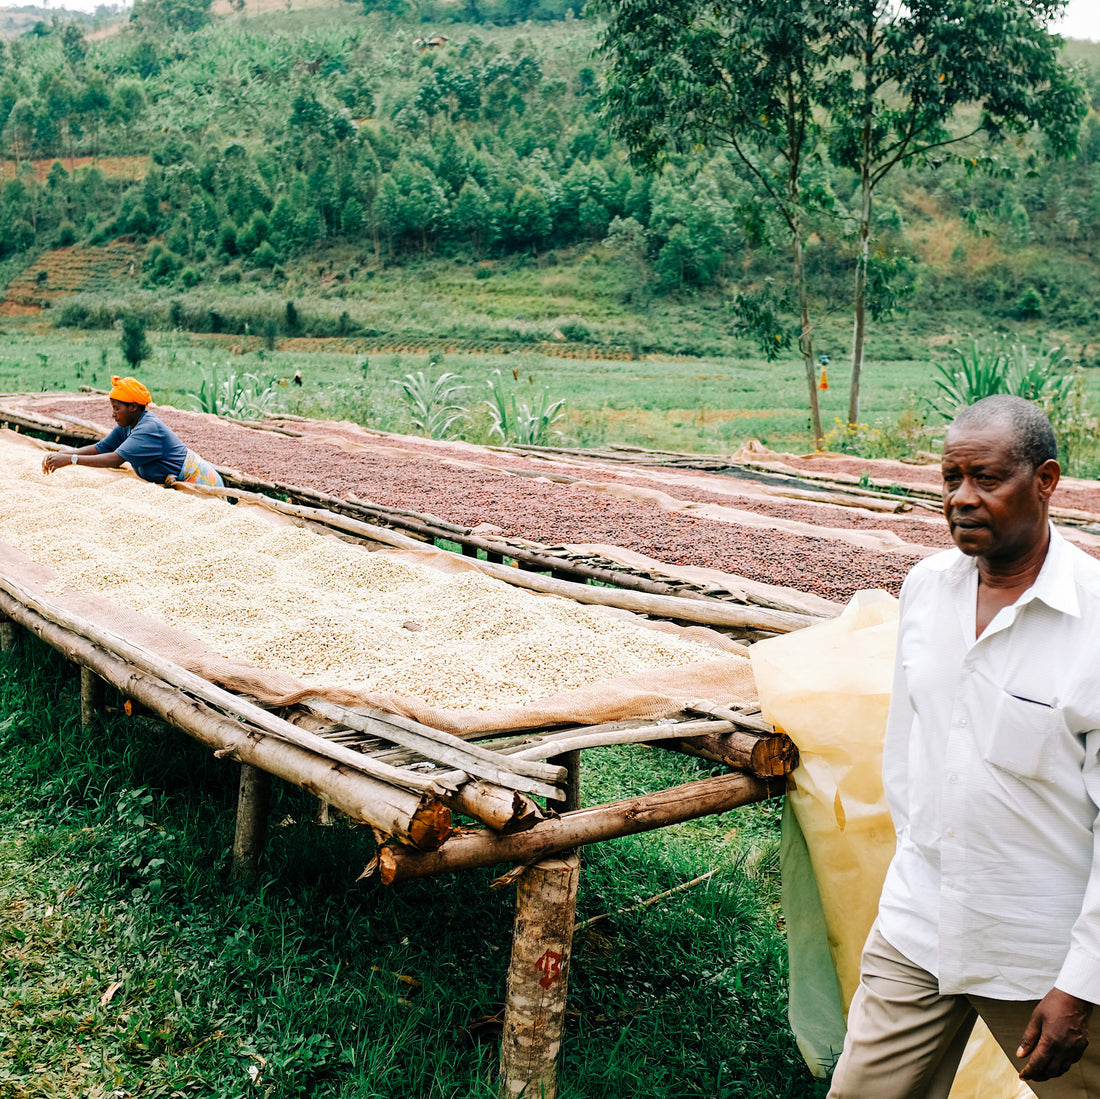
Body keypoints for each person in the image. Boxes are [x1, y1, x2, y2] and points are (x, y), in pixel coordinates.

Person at [828, 395, 1100, 1098]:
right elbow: (907, 749)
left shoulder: (1093, 621)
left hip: (1040, 951)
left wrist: (1082, 981)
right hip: (920, 927)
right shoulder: (926, 590)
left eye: (987, 479)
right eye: (951, 479)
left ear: (1046, 481)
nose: (962, 498)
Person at [41, 376, 222, 487]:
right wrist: (62, 454)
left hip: (199, 481)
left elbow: (114, 459)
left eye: (116, 408)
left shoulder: (147, 429)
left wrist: (71, 460)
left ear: (133, 407)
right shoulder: (128, 426)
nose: (113, 414)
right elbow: (101, 448)